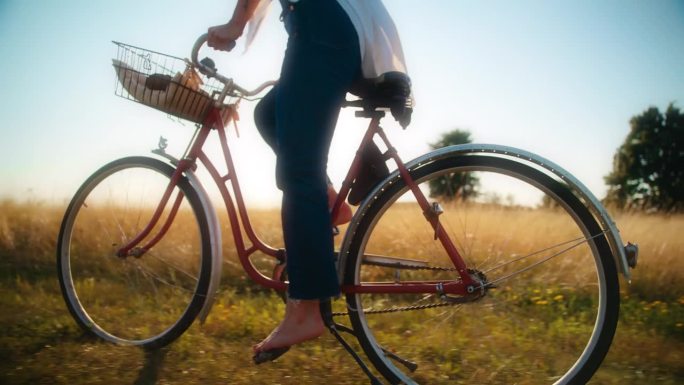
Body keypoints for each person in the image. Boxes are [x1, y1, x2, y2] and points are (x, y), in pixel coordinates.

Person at [207, 0, 408, 363]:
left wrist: (235, 25)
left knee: (298, 169)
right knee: (269, 114)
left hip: (320, 24)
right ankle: (329, 204)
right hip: (324, 28)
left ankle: (306, 308)